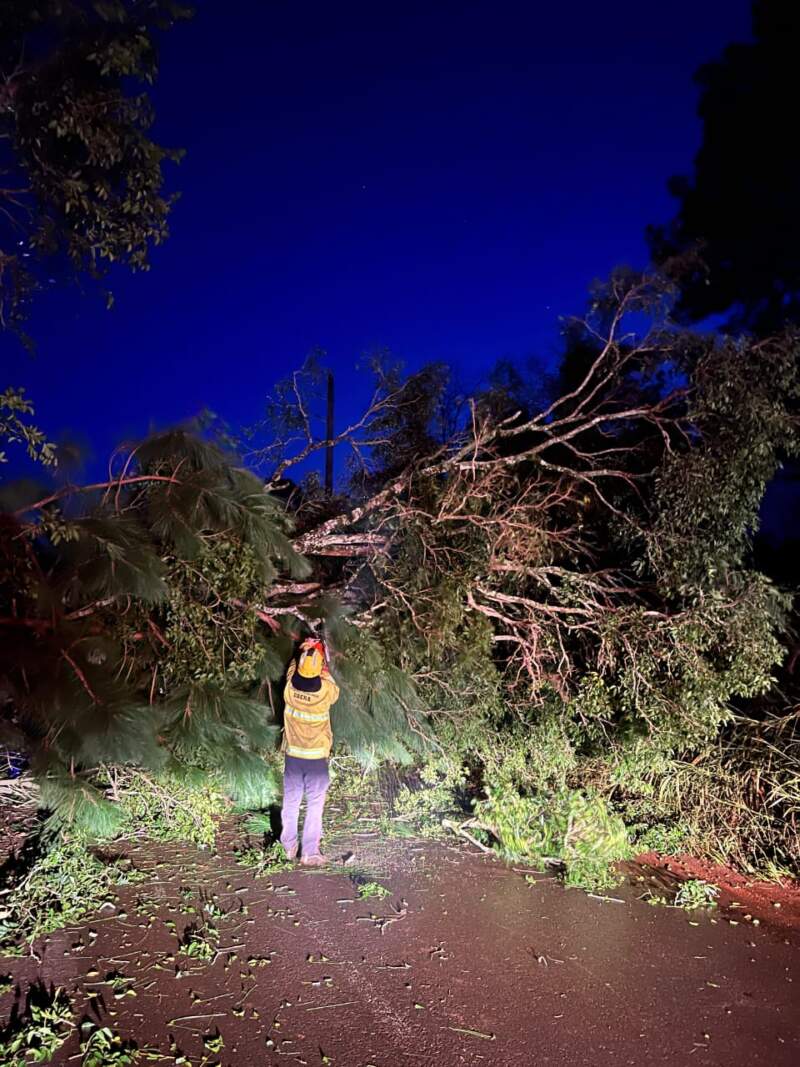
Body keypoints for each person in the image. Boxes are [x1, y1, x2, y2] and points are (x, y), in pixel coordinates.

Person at [279, 637, 340, 866]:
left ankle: (288, 846)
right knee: (314, 805)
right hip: (316, 759)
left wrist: (306, 649)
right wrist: (321, 654)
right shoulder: (325, 691)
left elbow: (294, 666)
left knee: (291, 802)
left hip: (294, 756)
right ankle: (310, 852)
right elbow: (332, 684)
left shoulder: (289, 689)